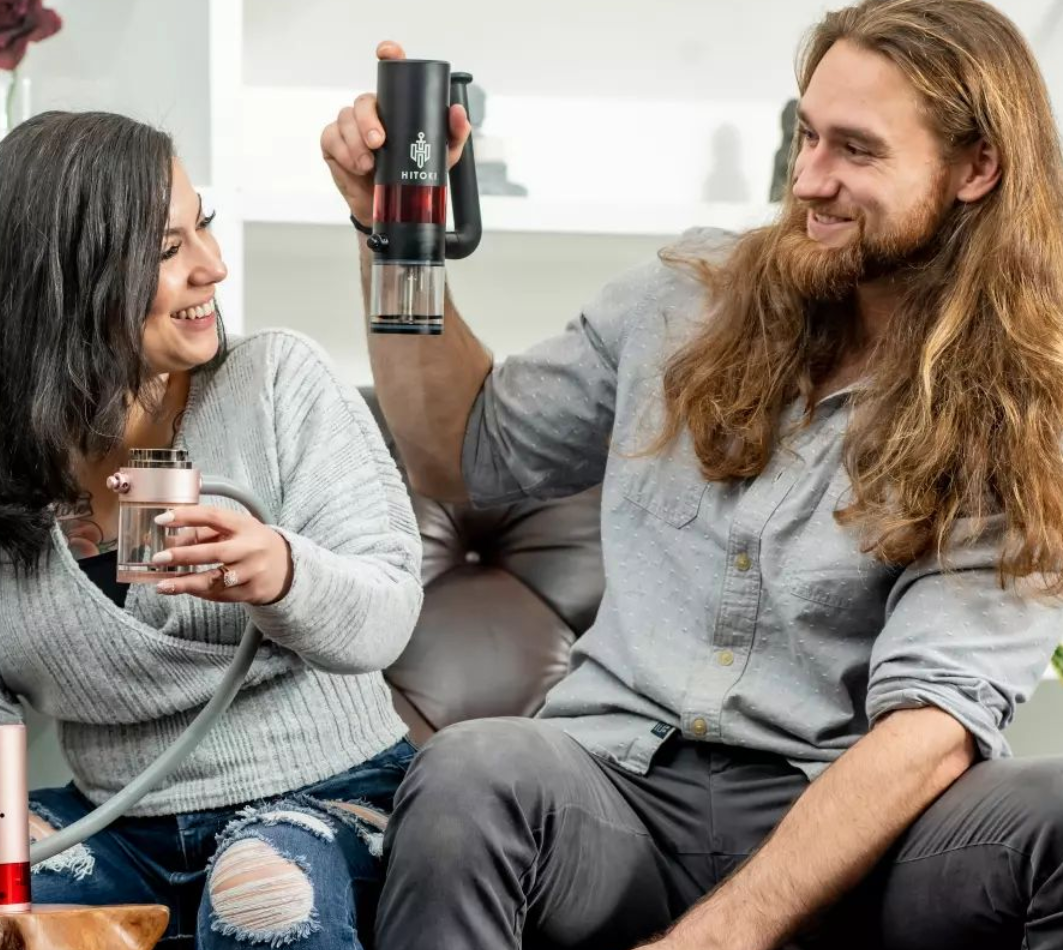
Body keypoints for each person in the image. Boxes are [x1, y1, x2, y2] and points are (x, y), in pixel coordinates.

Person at [320, 1, 1063, 947]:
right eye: (807, 135)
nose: (809, 179)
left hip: (852, 818)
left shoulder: (1025, 406)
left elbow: (933, 722)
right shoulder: (684, 300)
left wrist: (717, 937)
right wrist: (393, 231)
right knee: (471, 772)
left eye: (856, 150)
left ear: (976, 169)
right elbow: (460, 453)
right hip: (614, 790)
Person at [0, 110, 423, 950]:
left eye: (203, 227)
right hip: (116, 823)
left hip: (324, 799)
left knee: (261, 896)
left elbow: (387, 610)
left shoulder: (276, 383)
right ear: (61, 282)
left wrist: (283, 573)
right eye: (168, 248)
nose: (214, 266)